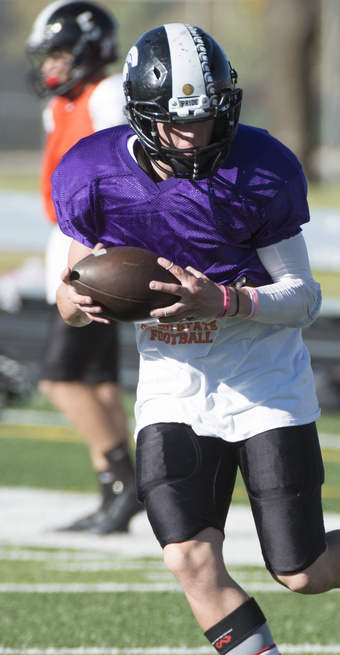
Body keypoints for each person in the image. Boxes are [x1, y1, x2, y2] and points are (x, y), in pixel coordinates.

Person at [52, 23, 340, 655]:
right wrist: (78, 301)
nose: (196, 132)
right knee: (188, 558)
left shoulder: (260, 167)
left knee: (300, 569)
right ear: (143, 115)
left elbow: (303, 296)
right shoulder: (93, 173)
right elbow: (71, 284)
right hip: (173, 384)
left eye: (207, 115)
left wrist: (228, 301)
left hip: (264, 378)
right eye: (178, 120)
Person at [26, 0, 143, 534]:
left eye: (61, 53)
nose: (51, 66)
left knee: (58, 378)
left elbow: (121, 172)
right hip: (73, 247)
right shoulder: (61, 107)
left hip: (98, 252)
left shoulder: (108, 96)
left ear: (89, 50)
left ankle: (126, 483)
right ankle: (112, 495)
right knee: (96, 381)